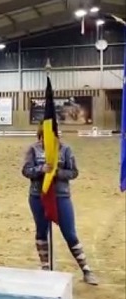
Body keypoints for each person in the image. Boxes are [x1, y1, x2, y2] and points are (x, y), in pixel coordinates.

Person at [21, 122, 98, 285]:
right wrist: (41, 169)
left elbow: (74, 172)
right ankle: (45, 267)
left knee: (70, 233)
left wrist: (57, 172)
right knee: (41, 231)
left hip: (61, 196)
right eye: (42, 137)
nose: (44, 140)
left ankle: (86, 269)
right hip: (38, 196)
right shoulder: (33, 149)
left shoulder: (65, 150)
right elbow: (26, 171)